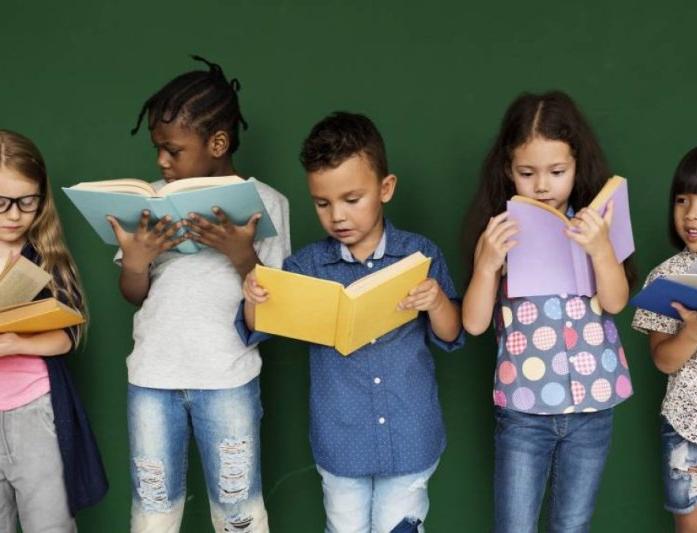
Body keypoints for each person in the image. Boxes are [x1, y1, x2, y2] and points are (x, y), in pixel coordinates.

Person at [238, 111, 464, 533]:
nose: (337, 216)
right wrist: (253, 297)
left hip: (411, 434)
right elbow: (257, 328)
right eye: (322, 204)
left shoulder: (419, 255)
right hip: (341, 442)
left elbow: (451, 334)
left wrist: (434, 301)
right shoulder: (305, 266)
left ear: (386, 188)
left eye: (351, 200)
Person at [108, 56, 290, 533]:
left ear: (217, 143)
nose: (160, 161)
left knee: (238, 512)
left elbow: (277, 307)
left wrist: (241, 255)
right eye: (157, 148)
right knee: (152, 510)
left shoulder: (266, 205)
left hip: (227, 378)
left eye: (172, 149)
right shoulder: (148, 201)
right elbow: (134, 293)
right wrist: (136, 260)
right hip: (152, 377)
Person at [462, 91, 634, 533]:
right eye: (527, 173)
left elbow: (615, 302)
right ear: (507, 169)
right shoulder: (499, 232)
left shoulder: (594, 223)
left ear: (577, 166)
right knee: (514, 526)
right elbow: (475, 323)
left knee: (572, 525)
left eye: (557, 172)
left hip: (592, 405)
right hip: (524, 408)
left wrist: (600, 250)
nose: (542, 185)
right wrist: (486, 265)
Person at [0, 129, 108, 532]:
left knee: (50, 523)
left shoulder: (46, 256)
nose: (14, 216)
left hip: (35, 410)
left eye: (27, 202)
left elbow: (69, 335)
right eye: (1, 203)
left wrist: (13, 344)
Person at [632, 145, 697, 533]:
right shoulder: (667, 278)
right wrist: (692, 332)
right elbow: (663, 359)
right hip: (686, 426)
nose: (691, 214)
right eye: (682, 200)